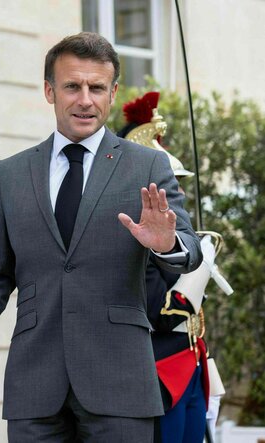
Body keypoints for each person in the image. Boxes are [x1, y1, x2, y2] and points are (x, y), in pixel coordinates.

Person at [0, 32, 203, 441]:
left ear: (113, 92)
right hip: (36, 387)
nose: (85, 99)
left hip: (120, 384)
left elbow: (190, 249)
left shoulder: (147, 166)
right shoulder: (11, 174)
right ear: (50, 91)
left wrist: (166, 244)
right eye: (73, 86)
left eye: (96, 87)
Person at [118, 91, 231, 443]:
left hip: (192, 364)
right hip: (159, 372)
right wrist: (194, 282)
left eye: (177, 182)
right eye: (170, 183)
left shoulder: (182, 236)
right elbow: (158, 314)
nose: (176, 189)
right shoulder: (139, 240)